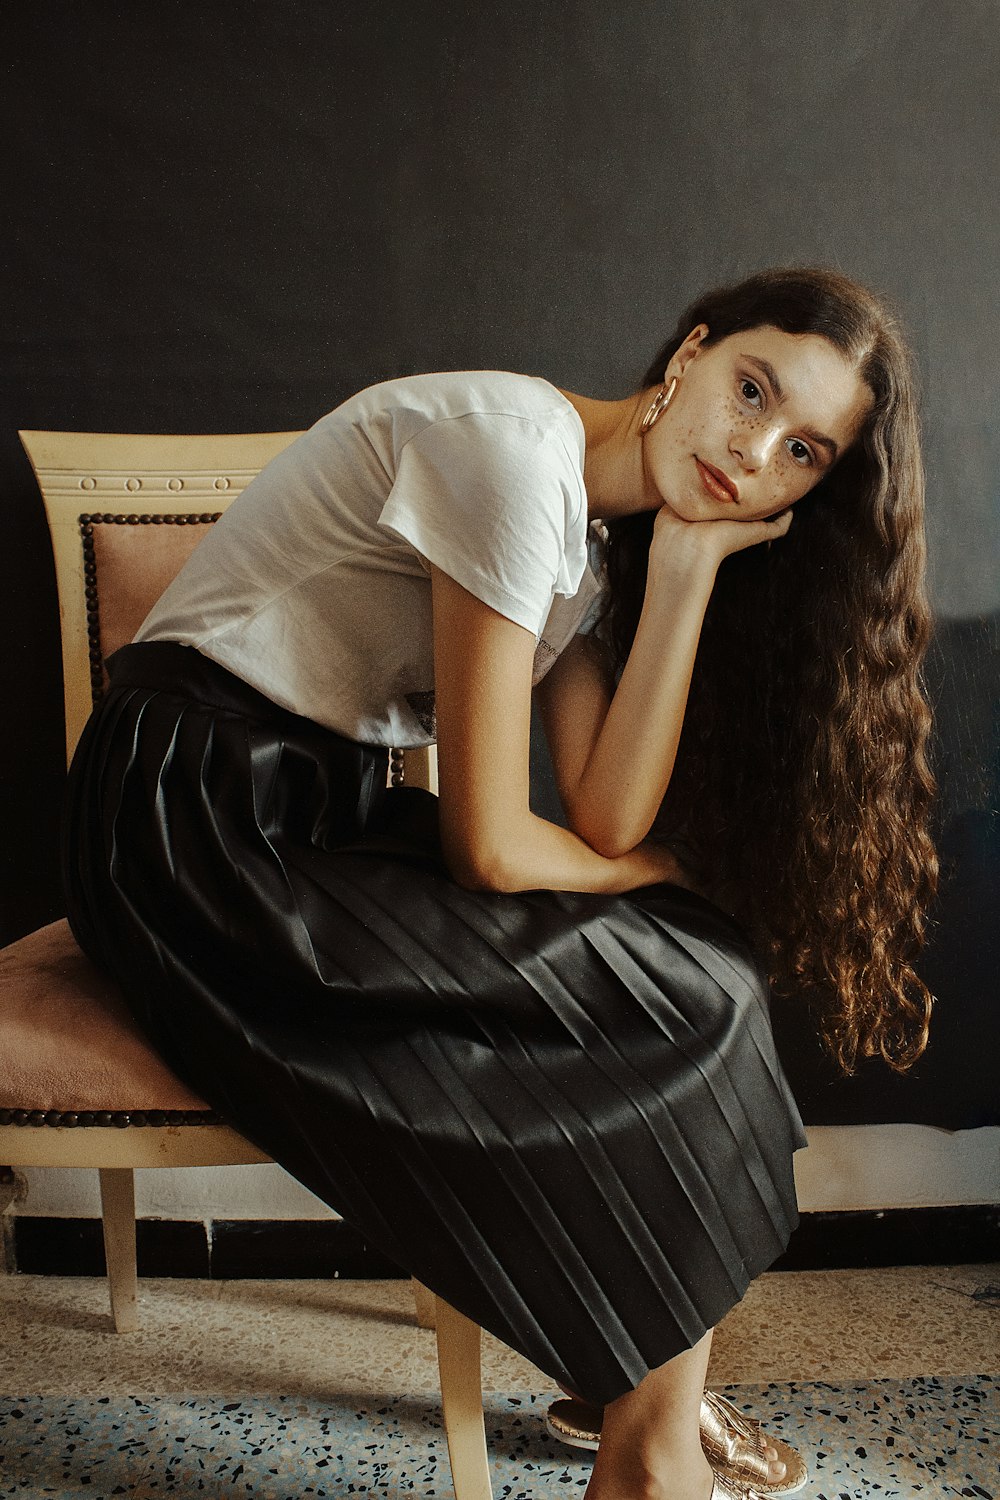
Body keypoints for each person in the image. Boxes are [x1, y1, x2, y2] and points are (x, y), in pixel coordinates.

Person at [63, 265, 937, 1500]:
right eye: (750, 389)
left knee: (707, 969)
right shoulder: (514, 459)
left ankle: (639, 1400)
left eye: (800, 451)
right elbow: (494, 843)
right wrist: (659, 867)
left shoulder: (587, 531)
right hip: (183, 818)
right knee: (686, 986)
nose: (751, 451)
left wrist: (681, 571)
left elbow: (597, 807)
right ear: (687, 352)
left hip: (311, 810)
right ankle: (650, 1436)